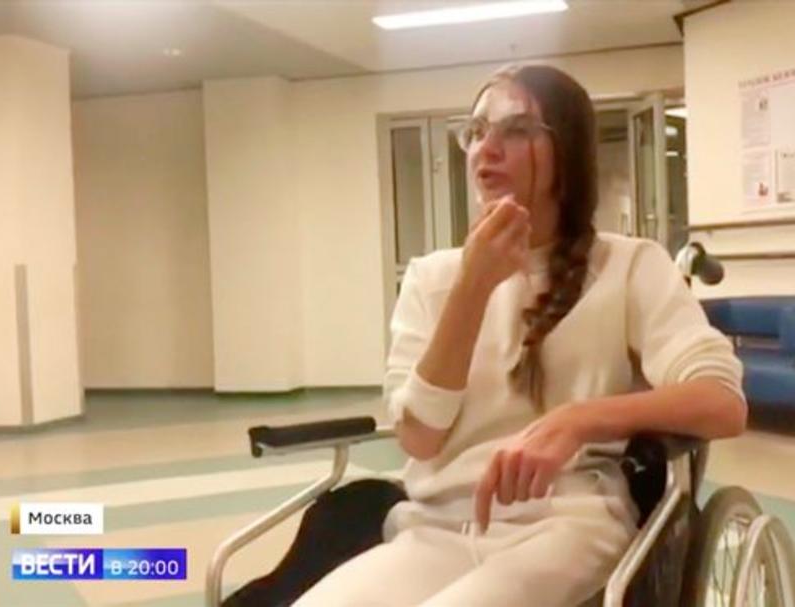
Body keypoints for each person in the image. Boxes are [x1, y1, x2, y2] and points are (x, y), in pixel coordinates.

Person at [295, 64, 746, 607]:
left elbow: (722, 403)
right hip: (437, 528)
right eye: (476, 131)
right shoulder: (431, 277)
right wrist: (473, 286)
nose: (485, 149)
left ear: (567, 153)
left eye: (516, 130)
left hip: (569, 524)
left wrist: (578, 420)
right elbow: (420, 439)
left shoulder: (630, 266)